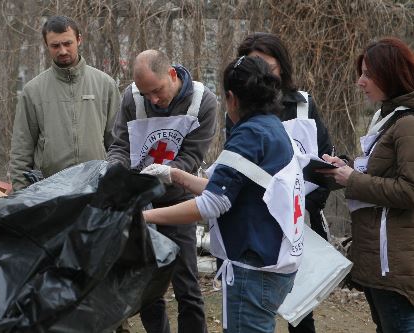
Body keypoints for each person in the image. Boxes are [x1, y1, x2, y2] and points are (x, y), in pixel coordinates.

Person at [142, 56, 306, 333]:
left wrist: (143, 216)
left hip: (253, 268)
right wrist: (176, 175)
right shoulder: (272, 127)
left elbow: (212, 204)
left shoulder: (250, 135)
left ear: (231, 98)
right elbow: (231, 192)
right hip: (274, 263)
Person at [226, 33, 332, 333]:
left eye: (267, 65)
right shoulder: (236, 109)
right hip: (257, 226)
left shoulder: (303, 105)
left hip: (299, 221)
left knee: (300, 311)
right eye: (252, 64)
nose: (262, 72)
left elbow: (323, 160)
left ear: (282, 68)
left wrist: (300, 206)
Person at [107, 49, 217, 333]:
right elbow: (120, 145)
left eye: (157, 91)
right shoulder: (132, 97)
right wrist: (116, 171)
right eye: (147, 95)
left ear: (171, 74)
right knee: (147, 286)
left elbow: (192, 156)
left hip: (178, 201)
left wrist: (167, 173)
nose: (153, 100)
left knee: (187, 286)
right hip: (139, 200)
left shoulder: (203, 101)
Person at [321, 37, 414, 333]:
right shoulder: (387, 118)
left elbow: (410, 190)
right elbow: (382, 174)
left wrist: (354, 180)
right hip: (381, 260)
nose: (360, 82)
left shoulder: (407, 124)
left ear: (392, 74)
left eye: (368, 74)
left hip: (396, 265)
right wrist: (345, 170)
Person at [9, 15, 120, 190]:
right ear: (47, 46)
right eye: (55, 45)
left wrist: (117, 185)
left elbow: (118, 143)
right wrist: (21, 194)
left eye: (67, 43)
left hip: (96, 188)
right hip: (49, 190)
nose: (62, 51)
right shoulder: (33, 91)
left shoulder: (105, 84)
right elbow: (21, 148)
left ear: (79, 40)